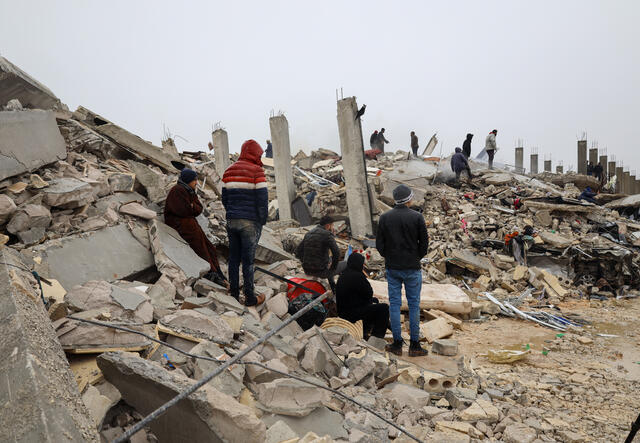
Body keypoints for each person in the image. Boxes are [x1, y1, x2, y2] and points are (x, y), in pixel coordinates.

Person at [376, 184, 429, 357]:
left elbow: (380, 245)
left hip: (393, 268)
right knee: (414, 305)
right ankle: (414, 345)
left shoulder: (385, 218)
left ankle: (397, 344)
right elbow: (424, 244)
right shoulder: (417, 217)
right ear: (409, 199)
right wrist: (416, 257)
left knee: (395, 304)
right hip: (412, 268)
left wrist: (390, 257)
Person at [222, 140, 268, 306]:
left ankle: (234, 295)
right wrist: (262, 220)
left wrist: (232, 213)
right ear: (254, 153)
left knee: (233, 259)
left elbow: (224, 198)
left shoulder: (228, 171)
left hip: (232, 220)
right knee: (248, 262)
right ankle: (249, 297)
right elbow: (262, 199)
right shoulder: (257, 171)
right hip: (250, 222)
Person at [165, 169, 227, 287]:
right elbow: (183, 210)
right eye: (194, 180)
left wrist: (192, 207)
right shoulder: (177, 191)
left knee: (209, 248)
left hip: (190, 224)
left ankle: (217, 272)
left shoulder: (190, 191)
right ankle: (211, 274)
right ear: (188, 180)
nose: (196, 183)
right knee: (200, 249)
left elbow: (198, 208)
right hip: (181, 226)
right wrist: (191, 207)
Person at [336, 252, 389, 339]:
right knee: (384, 308)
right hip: (352, 314)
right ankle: (377, 338)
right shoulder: (358, 276)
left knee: (374, 300)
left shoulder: (343, 275)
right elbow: (368, 293)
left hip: (343, 311)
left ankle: (365, 331)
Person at [296, 215, 341, 292]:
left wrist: (306, 262)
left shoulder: (308, 233)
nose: (333, 228)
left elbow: (298, 251)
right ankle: (336, 289)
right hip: (320, 271)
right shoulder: (327, 235)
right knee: (346, 264)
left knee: (329, 259)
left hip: (307, 269)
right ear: (328, 225)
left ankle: (333, 286)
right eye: (332, 225)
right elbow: (336, 253)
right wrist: (332, 269)